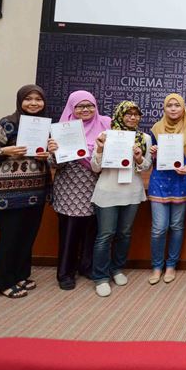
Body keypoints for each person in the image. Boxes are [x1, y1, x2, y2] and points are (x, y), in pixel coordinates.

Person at [0, 85, 51, 299]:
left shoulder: (46, 126)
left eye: (38, 99)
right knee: (10, 237)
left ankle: (20, 275)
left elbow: (51, 157)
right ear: (20, 101)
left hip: (36, 189)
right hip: (10, 190)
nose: (33, 103)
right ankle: (3, 281)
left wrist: (48, 154)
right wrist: (4, 151)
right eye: (28, 99)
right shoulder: (8, 122)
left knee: (27, 235)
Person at [48, 90, 110, 290]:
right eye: (80, 106)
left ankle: (86, 266)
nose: (85, 109)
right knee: (70, 232)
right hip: (69, 189)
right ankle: (65, 273)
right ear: (71, 108)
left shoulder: (105, 125)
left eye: (90, 105)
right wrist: (55, 152)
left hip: (96, 186)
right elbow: (54, 164)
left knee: (92, 230)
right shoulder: (61, 129)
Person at [90, 101, 151, 297]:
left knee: (124, 233)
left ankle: (116, 269)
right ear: (119, 115)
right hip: (108, 191)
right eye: (128, 114)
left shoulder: (144, 138)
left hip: (131, 192)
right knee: (105, 235)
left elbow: (146, 166)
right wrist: (100, 149)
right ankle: (100, 277)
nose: (133, 117)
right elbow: (95, 167)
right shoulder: (105, 136)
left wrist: (139, 157)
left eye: (136, 114)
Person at [148, 93, 186, 285]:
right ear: (164, 108)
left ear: (183, 108)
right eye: (170, 105)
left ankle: (171, 265)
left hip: (181, 182)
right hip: (159, 182)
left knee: (176, 226)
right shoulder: (156, 129)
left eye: (177, 105)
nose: (174, 108)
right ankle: (157, 266)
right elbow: (148, 160)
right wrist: (152, 153)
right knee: (159, 228)